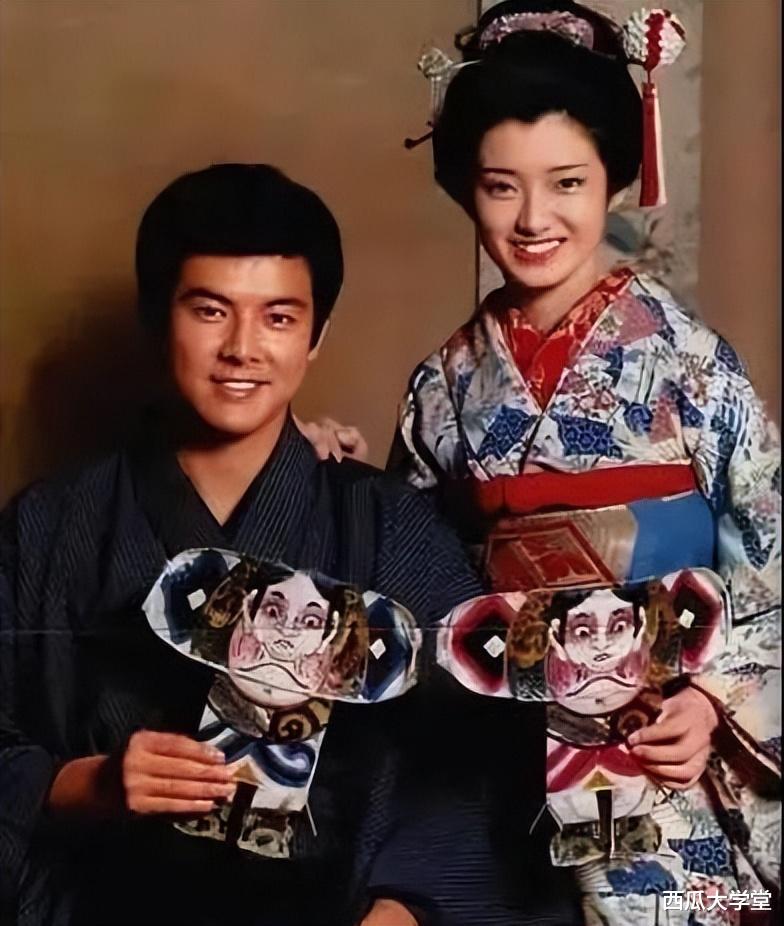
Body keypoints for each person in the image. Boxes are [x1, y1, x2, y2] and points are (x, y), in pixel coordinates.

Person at [0, 163, 482, 926]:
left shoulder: (387, 526)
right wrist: (88, 785)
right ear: (158, 317)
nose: (242, 349)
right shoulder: (51, 524)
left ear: (317, 335)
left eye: (279, 318)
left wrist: (403, 911)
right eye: (210, 311)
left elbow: (481, 758)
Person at [386, 1, 780, 923]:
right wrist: (336, 478)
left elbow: (771, 558)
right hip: (504, 753)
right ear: (466, 188)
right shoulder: (443, 385)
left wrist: (714, 702)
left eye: (566, 182)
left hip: (663, 748)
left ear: (614, 178)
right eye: (501, 187)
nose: (533, 219)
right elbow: (413, 571)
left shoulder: (689, 362)